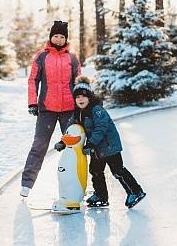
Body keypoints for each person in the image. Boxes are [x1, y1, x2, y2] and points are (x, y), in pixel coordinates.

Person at [57, 75, 146, 209]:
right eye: (77, 97)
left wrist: (90, 143)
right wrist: (63, 142)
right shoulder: (77, 113)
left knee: (118, 171)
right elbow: (72, 130)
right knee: (95, 171)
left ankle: (135, 191)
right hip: (96, 150)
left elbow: (101, 128)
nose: (80, 99)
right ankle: (101, 196)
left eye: (83, 96)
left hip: (109, 146)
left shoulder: (96, 110)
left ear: (89, 97)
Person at [20, 20, 81, 197]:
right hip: (47, 109)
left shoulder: (72, 57)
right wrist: (33, 102)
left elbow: (78, 81)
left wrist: (81, 104)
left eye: (62, 36)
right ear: (51, 36)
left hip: (69, 110)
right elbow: (33, 80)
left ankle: (78, 182)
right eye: (56, 35)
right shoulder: (41, 56)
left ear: (66, 38)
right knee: (39, 145)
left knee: (74, 146)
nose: (59, 39)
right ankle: (26, 184)